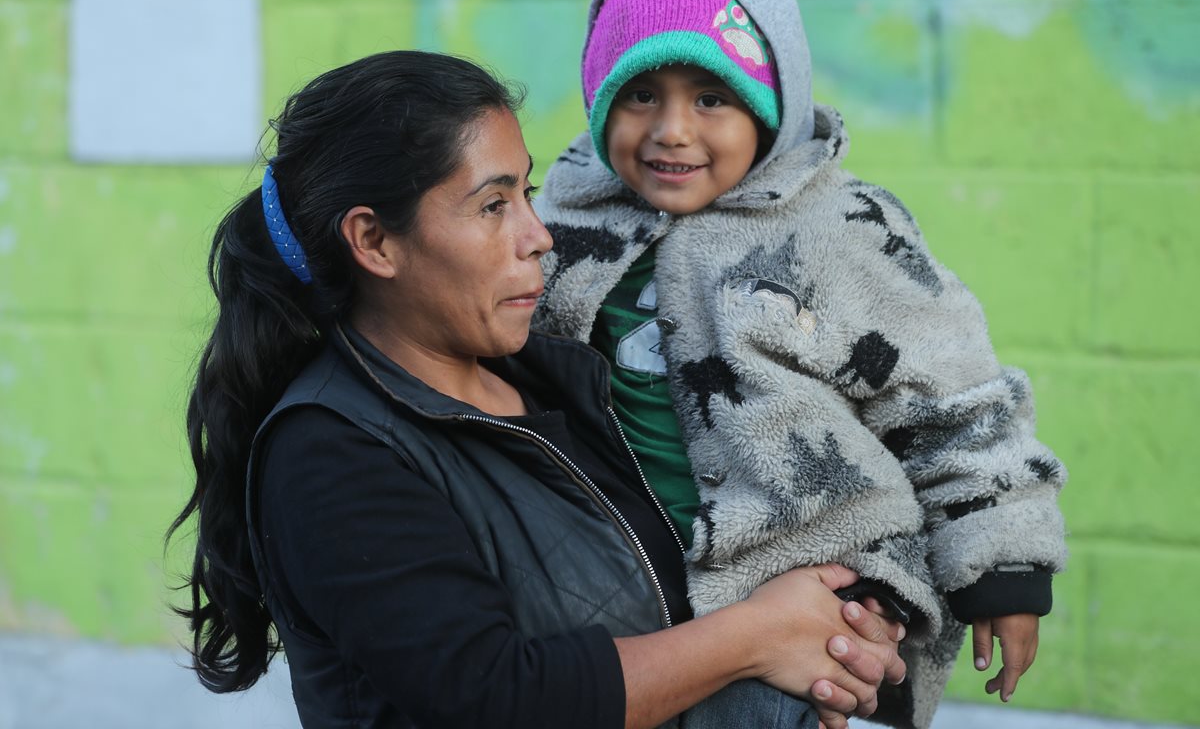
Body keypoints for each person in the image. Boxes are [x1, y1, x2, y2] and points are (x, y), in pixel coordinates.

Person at [166, 49, 908, 729]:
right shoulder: (329, 452)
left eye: (527, 192)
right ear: (374, 242)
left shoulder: (557, 377)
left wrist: (829, 635)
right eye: (493, 206)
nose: (538, 234)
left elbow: (674, 592)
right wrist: (751, 638)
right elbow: (497, 697)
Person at [532, 0, 1069, 729]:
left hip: (826, 581)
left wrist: (1003, 567)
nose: (671, 129)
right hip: (625, 581)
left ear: (773, 105)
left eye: (711, 97)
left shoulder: (841, 230)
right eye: (640, 95)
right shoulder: (564, 228)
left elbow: (952, 396)